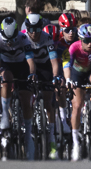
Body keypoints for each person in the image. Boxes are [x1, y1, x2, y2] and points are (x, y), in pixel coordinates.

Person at [61, 21, 91, 161]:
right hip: (77, 73)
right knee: (77, 106)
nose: (89, 44)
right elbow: (67, 66)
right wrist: (68, 80)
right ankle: (75, 142)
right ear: (80, 39)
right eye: (86, 41)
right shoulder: (73, 48)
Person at [0, 14, 36, 158]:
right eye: (7, 40)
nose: (9, 43)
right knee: (6, 79)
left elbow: (30, 61)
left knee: (25, 99)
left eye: (12, 40)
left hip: (21, 65)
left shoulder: (23, 38)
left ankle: (28, 134)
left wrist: (32, 74)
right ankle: (5, 114)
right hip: (6, 65)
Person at [22, 10, 62, 158]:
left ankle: (51, 138)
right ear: (27, 28)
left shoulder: (47, 38)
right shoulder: (23, 37)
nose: (34, 33)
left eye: (37, 29)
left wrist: (55, 76)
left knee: (48, 101)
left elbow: (54, 61)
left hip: (44, 67)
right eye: (31, 29)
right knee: (26, 97)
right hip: (28, 67)